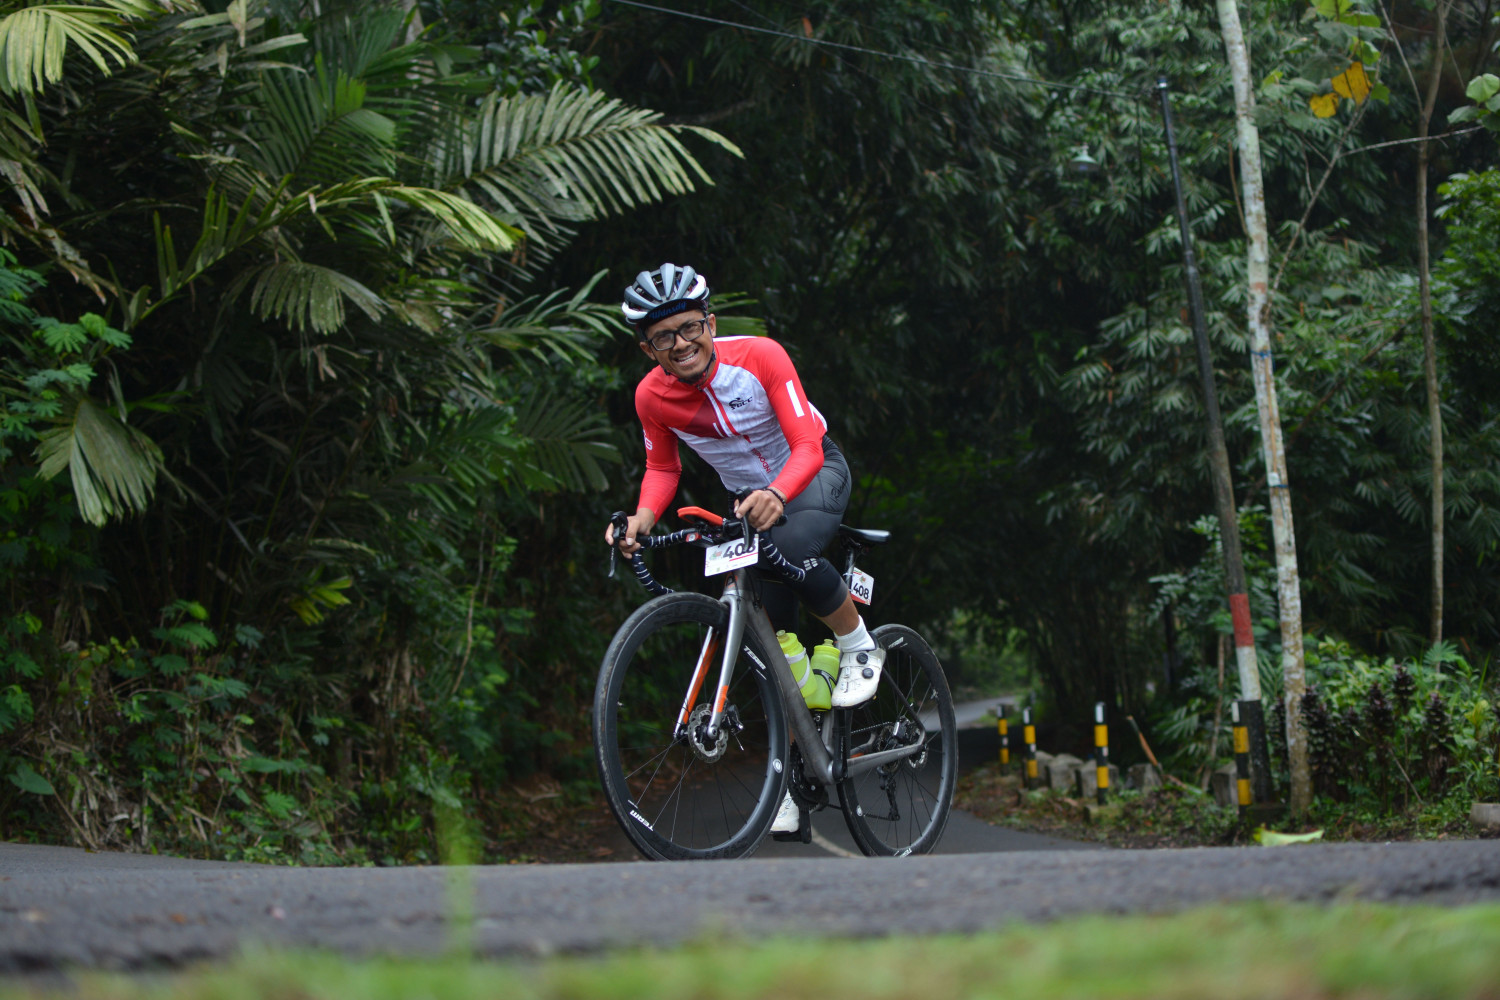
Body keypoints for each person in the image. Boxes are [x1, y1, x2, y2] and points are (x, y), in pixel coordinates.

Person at [604, 262, 884, 835]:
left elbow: (806, 444)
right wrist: (640, 519)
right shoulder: (651, 397)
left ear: (710, 323)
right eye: (664, 337)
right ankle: (793, 774)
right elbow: (663, 468)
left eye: (690, 327)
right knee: (768, 638)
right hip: (747, 503)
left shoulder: (760, 357)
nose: (681, 344)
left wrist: (778, 493)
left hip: (811, 476)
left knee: (791, 547)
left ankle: (859, 645)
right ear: (647, 349)